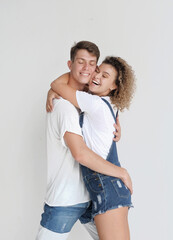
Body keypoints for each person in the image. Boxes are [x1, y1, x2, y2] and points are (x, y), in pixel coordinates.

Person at [36, 41, 132, 240]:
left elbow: (60, 85)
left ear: (114, 85)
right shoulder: (71, 105)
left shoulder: (91, 102)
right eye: (81, 62)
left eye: (93, 65)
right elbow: (80, 151)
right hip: (80, 194)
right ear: (70, 65)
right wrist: (55, 91)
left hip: (99, 190)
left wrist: (57, 88)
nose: (90, 71)